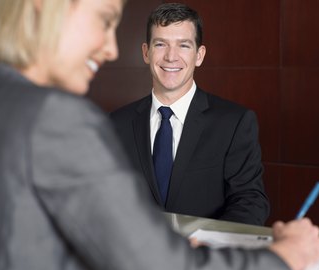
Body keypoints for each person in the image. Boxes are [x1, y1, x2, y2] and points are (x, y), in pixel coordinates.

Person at [0, 0, 319, 270]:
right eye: (105, 20)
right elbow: (160, 269)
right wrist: (282, 259)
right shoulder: (60, 116)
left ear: (199, 54)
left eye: (183, 45)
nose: (111, 49)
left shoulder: (2, 98)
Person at [110, 3, 269, 225]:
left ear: (199, 55)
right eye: (161, 44)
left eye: (183, 45)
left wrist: (209, 246)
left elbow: (250, 202)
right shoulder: (115, 125)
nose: (171, 57)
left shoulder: (234, 123)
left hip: (204, 255)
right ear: (146, 52)